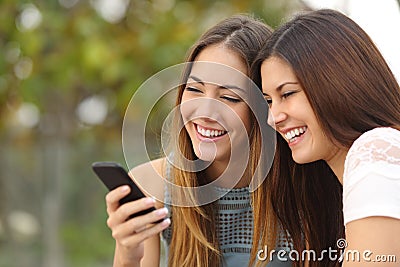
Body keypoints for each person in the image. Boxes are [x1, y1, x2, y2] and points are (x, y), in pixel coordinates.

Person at [105, 15, 292, 267]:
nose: (205, 112)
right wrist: (128, 254)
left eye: (229, 97)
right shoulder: (154, 185)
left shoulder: (301, 186)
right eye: (194, 90)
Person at [251, 8, 400, 267]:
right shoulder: (330, 186)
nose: (273, 118)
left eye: (287, 94)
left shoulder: (375, 151)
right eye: (268, 101)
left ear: (337, 83)